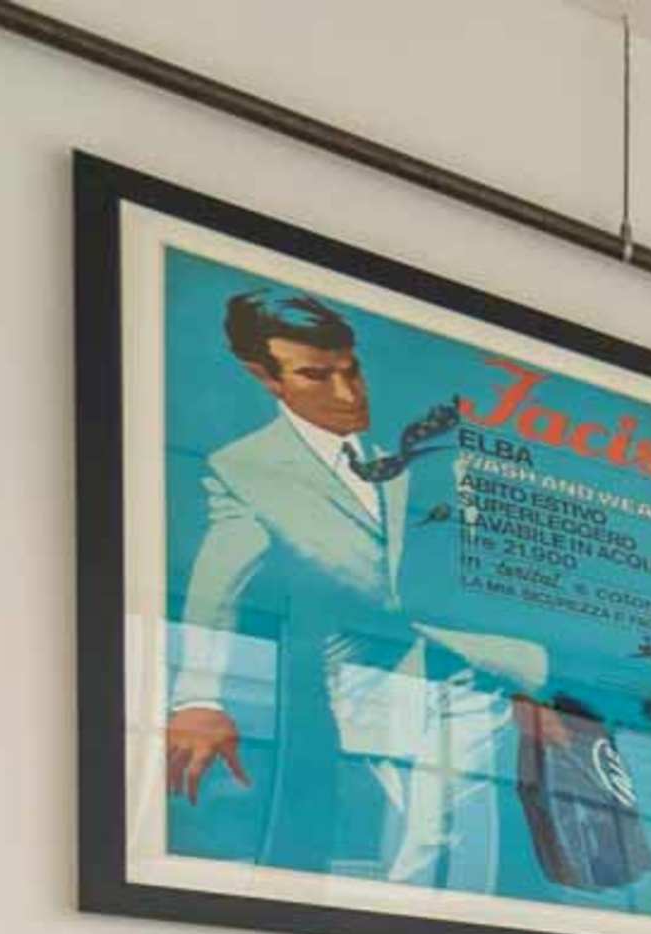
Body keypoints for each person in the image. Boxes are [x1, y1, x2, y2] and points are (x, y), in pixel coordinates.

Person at [163, 288, 543, 886]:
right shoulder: (246, 469)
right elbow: (220, 576)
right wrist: (200, 696)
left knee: (457, 836)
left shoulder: (417, 441)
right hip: (374, 678)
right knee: (429, 837)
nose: (347, 394)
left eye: (351, 370)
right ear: (266, 378)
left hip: (476, 670)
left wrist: (545, 685)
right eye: (316, 376)